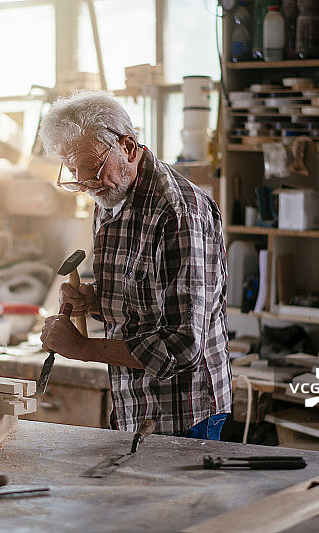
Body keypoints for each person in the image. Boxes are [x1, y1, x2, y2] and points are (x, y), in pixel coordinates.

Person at [38, 90, 232, 439]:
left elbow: (183, 345)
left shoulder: (177, 211)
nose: (84, 183)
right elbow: (147, 293)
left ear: (128, 147)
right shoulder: (109, 195)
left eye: (92, 167)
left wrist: (82, 348)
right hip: (133, 403)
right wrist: (96, 301)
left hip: (183, 412)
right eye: (73, 171)